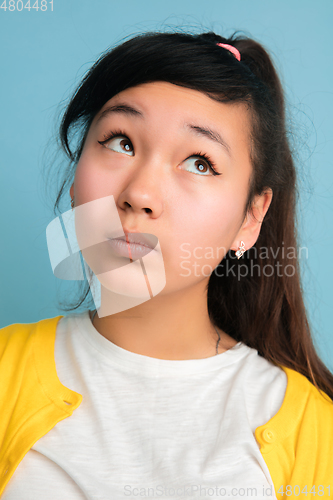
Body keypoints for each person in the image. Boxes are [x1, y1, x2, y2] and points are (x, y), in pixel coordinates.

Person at [1, 30, 332, 500]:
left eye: (200, 162)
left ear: (251, 218)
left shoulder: (314, 433)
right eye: (120, 142)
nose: (139, 194)